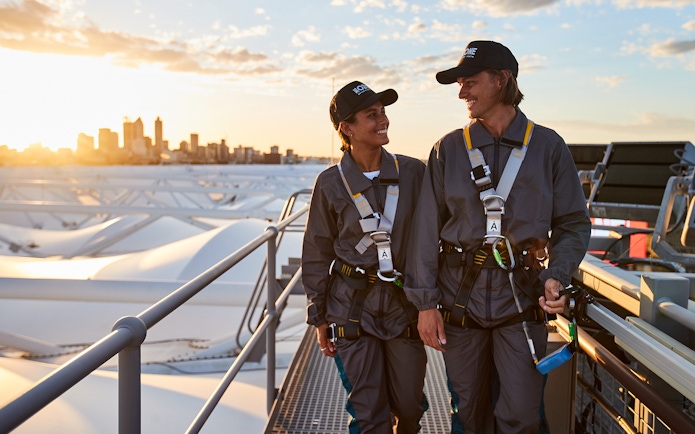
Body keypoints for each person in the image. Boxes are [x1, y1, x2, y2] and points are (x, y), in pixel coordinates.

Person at [404, 40, 591, 433]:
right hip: (460, 301)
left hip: (521, 300)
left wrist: (558, 273)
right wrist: (425, 303)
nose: (461, 92)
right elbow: (424, 232)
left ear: (502, 80)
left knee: (521, 414)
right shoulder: (447, 149)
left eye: (469, 82)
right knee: (468, 411)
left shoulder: (548, 147)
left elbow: (573, 222)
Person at [302, 80, 429, 433]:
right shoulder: (330, 184)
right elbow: (316, 251)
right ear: (347, 128)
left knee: (409, 408)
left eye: (383, 112)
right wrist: (319, 315)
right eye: (371, 115)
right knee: (368, 414)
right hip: (351, 308)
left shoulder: (413, 173)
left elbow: (436, 232)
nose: (382, 120)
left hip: (403, 306)